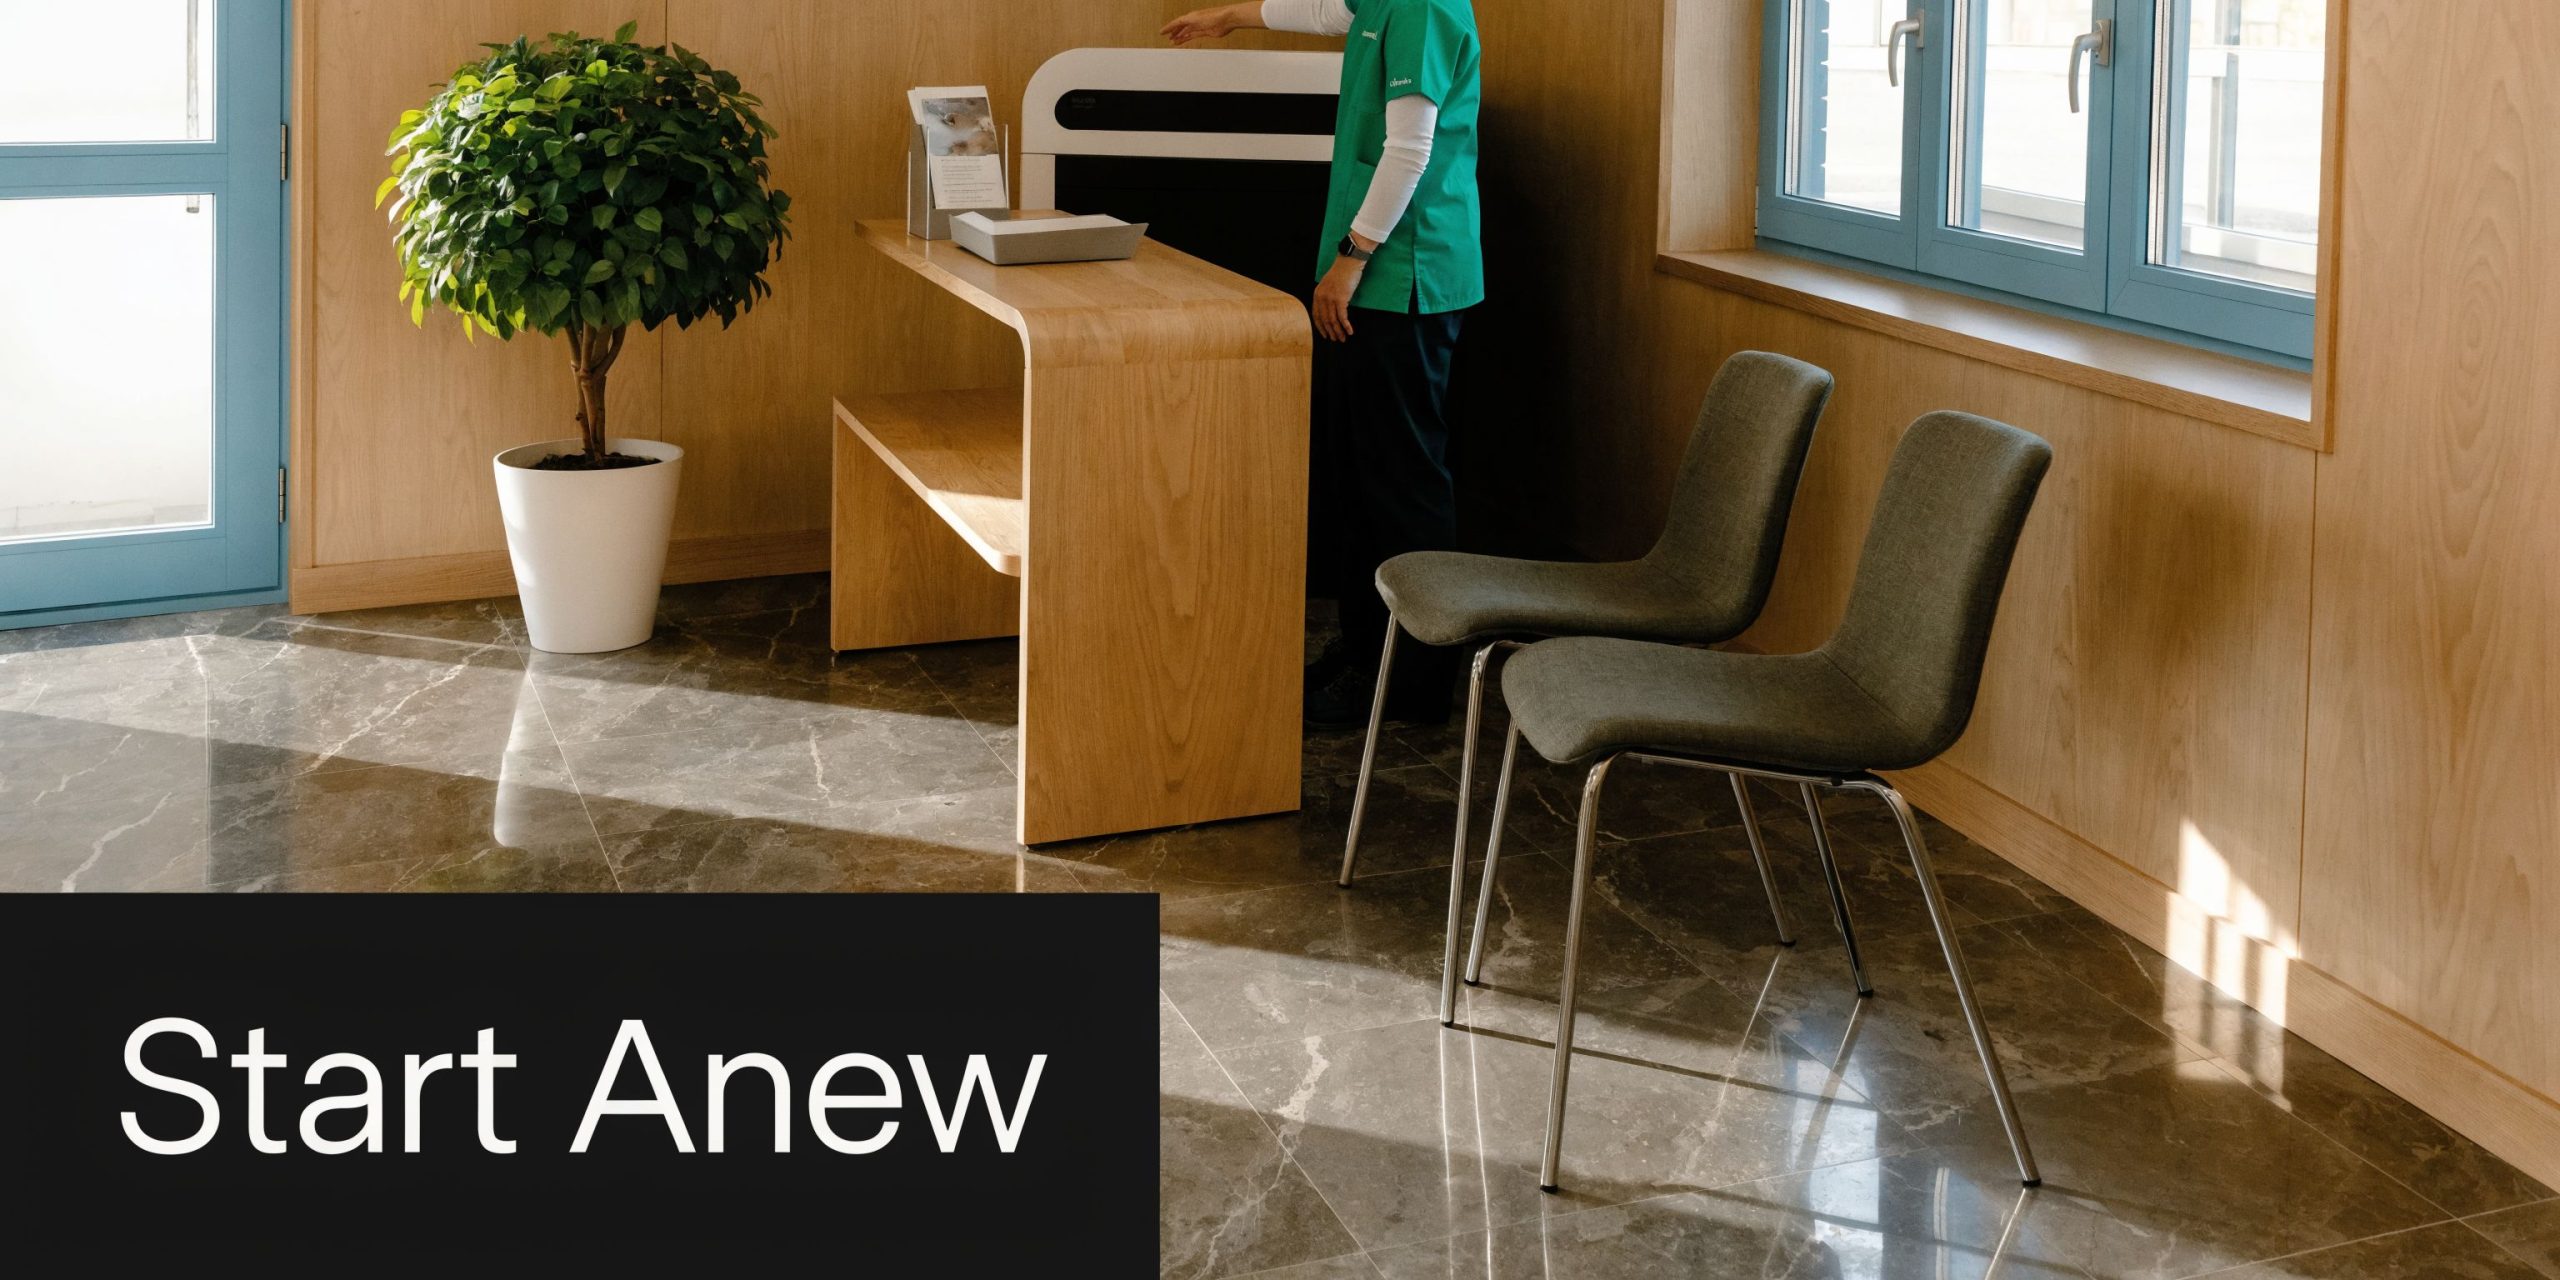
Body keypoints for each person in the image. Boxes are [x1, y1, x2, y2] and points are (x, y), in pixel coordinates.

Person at [1164, 0, 1483, 728]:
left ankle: (1415, 682)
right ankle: (1364, 651)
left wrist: (1353, 258)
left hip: (1405, 276)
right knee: (1358, 474)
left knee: (1399, 484)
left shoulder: (1426, 6)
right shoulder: (1383, 1)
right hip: (1374, 278)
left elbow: (1411, 148)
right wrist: (1232, 17)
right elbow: (1328, 13)